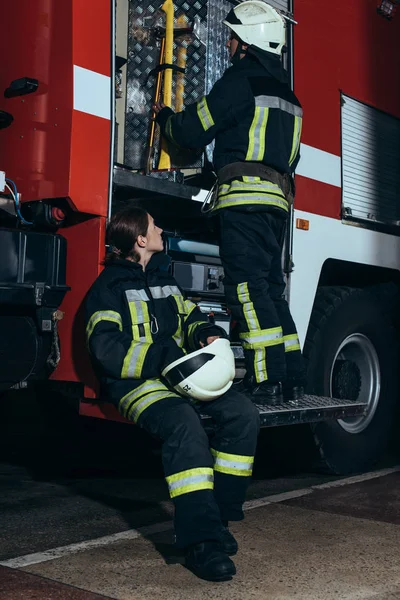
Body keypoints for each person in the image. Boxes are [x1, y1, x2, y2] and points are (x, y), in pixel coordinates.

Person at [85, 206, 260, 582]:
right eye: (154, 225)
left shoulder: (164, 278)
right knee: (185, 425)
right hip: (136, 385)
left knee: (243, 414)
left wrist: (205, 333)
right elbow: (106, 350)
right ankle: (200, 543)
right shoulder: (107, 289)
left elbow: (189, 315)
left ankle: (220, 519)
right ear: (140, 240)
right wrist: (161, 354)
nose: (161, 228)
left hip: (179, 377)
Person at [153, 1, 306, 405]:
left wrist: (166, 118)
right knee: (271, 289)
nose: (230, 43)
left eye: (234, 36)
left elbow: (193, 129)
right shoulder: (291, 98)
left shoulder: (240, 82)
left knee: (248, 290)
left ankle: (265, 379)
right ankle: (292, 375)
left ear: (247, 42)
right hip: (276, 206)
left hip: (244, 202)